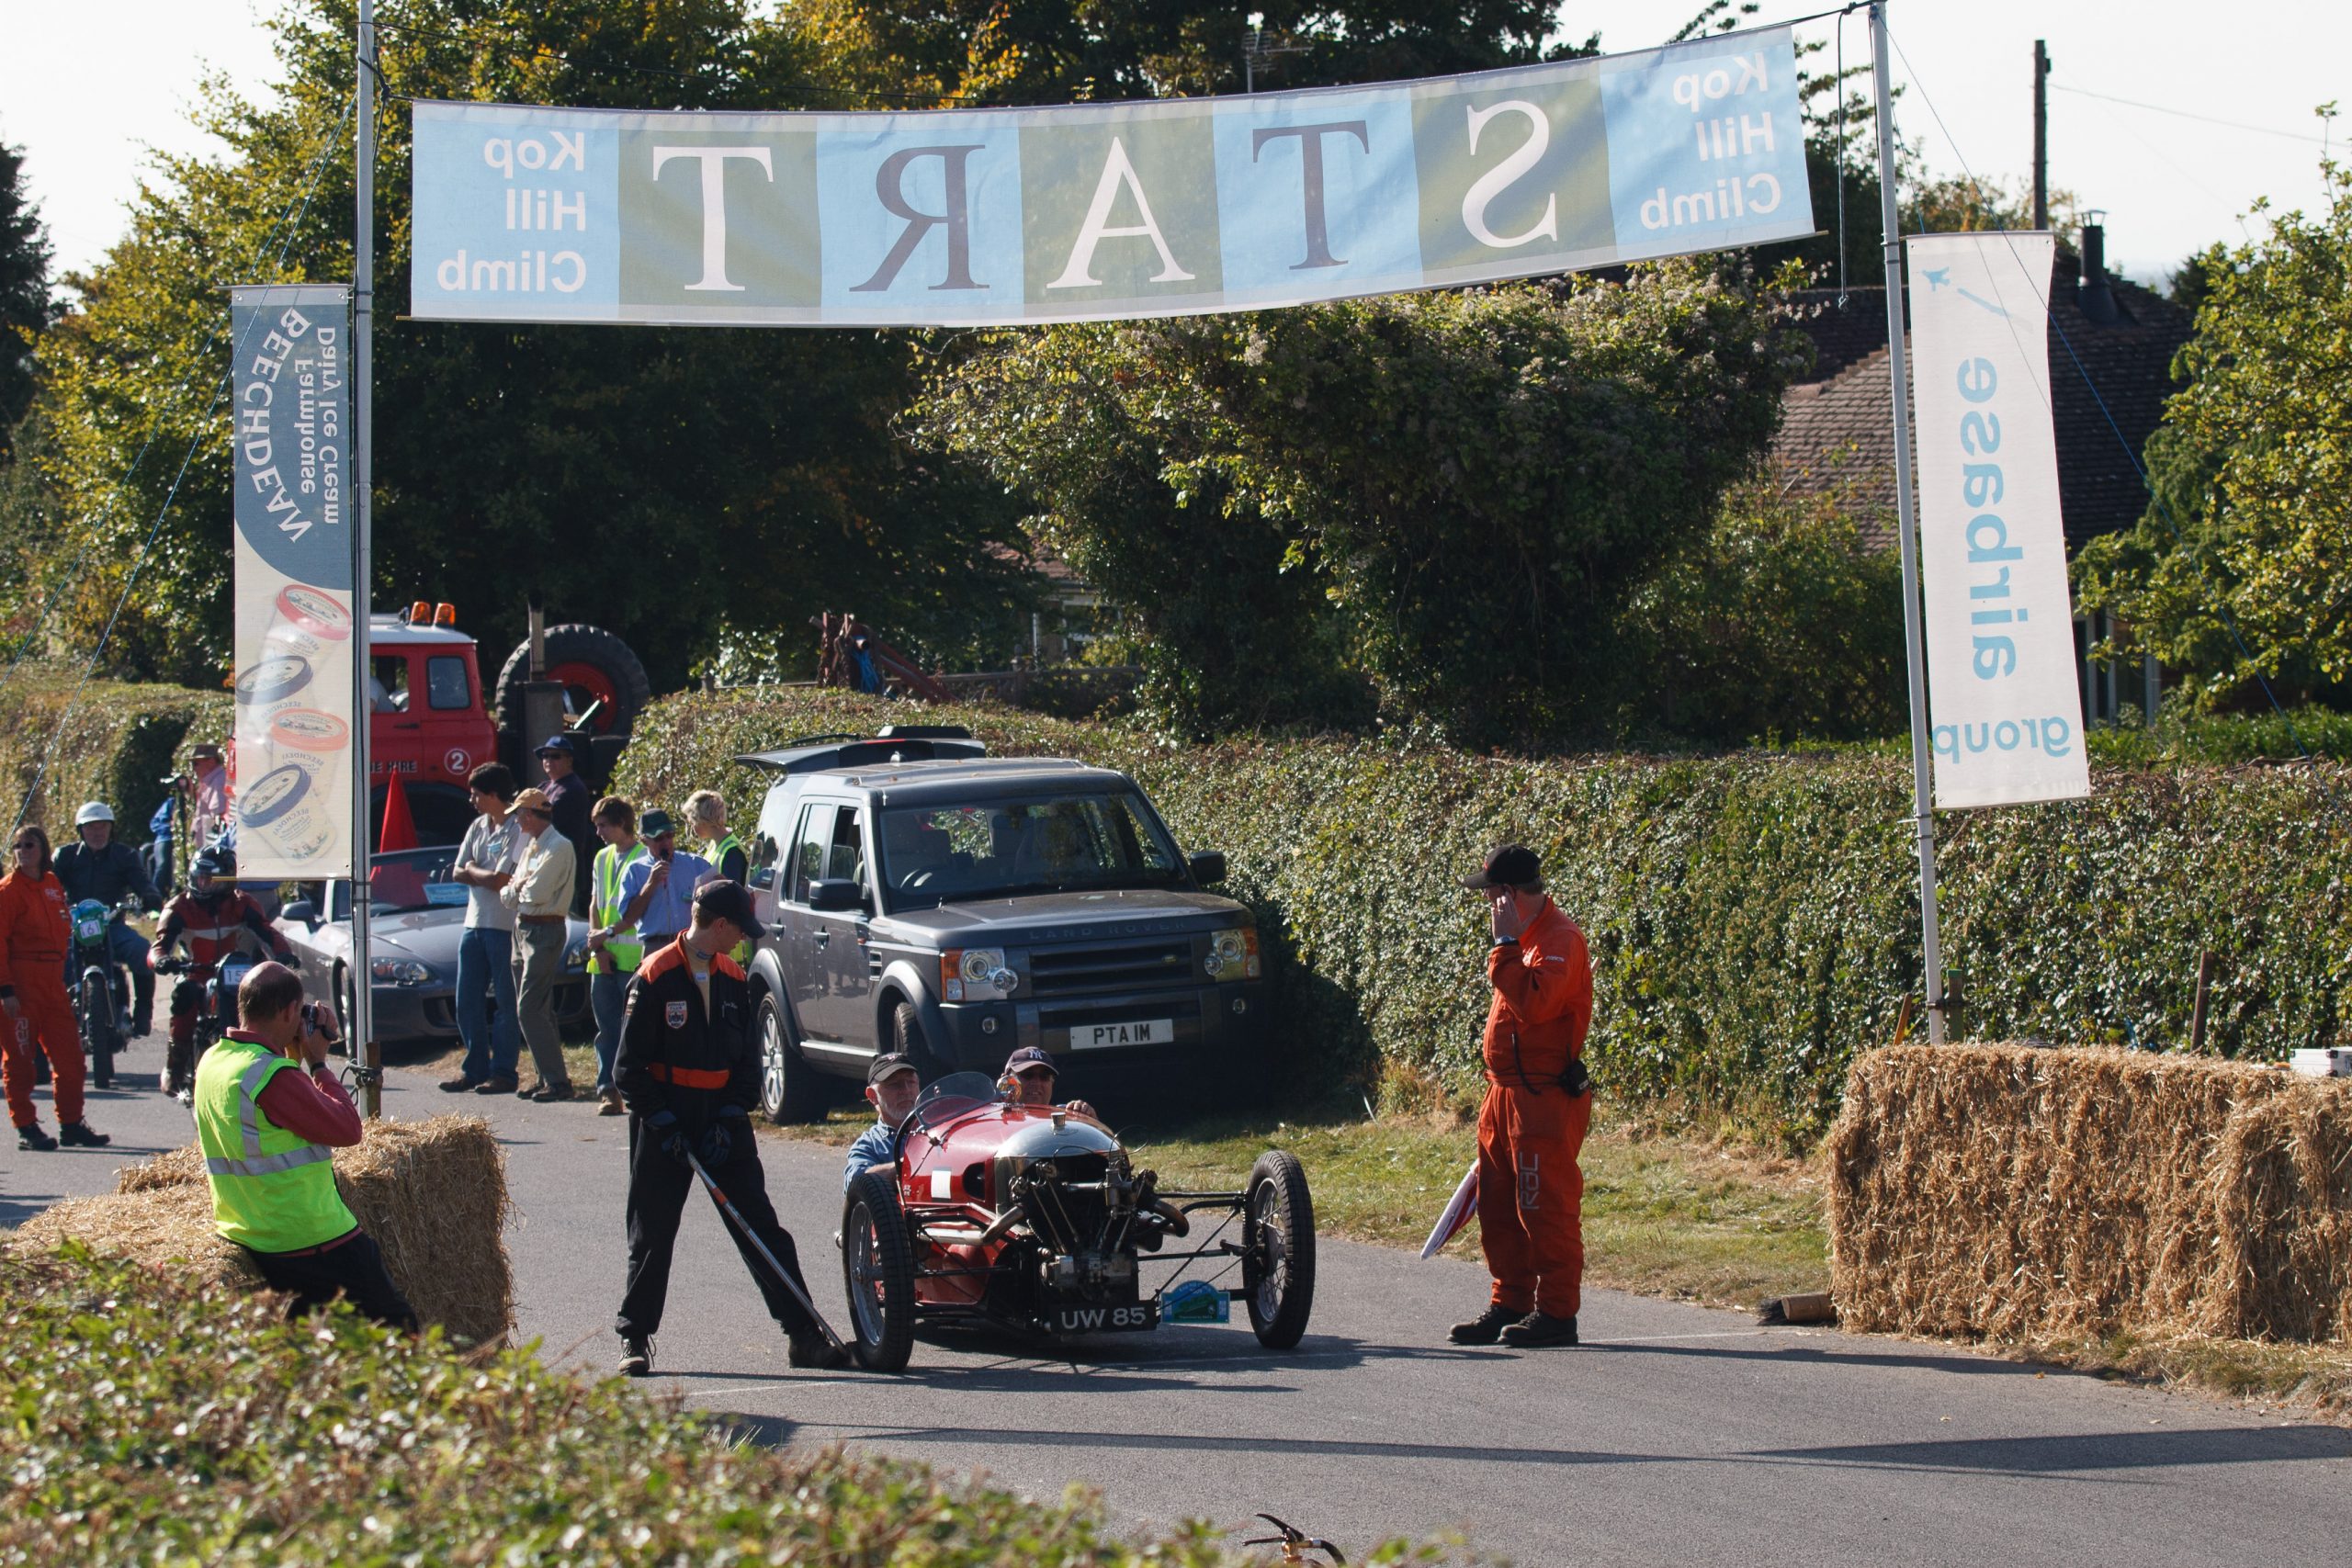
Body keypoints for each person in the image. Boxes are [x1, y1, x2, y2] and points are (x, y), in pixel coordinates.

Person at [614, 880, 846, 1376]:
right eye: (741, 928)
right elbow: (627, 1071)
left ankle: (802, 1334)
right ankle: (634, 1337)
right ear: (720, 925)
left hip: (721, 1116)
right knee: (651, 1231)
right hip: (666, 1116)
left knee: (762, 1227)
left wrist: (729, 1114)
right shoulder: (654, 977)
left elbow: (747, 1062)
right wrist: (663, 1123)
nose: (746, 938)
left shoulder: (734, 975)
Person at [195, 958, 416, 1329]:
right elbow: (348, 1129)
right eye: (299, 1013)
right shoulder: (271, 1075)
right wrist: (317, 1063)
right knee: (400, 1333)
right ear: (288, 1011)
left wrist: (292, 1055)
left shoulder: (214, 1062)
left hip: (251, 1233)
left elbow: (269, 1123)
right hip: (312, 1239)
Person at [1447, 843, 1593, 1351]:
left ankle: (1556, 1313)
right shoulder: (1527, 939)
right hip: (1505, 1094)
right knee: (1499, 1205)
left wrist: (1505, 944)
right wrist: (1510, 944)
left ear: (1508, 895)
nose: (1487, 904)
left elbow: (1535, 1003)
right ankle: (1510, 1302)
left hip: (1543, 1097)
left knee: (1543, 1204)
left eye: (1490, 894)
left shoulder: (1559, 940)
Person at [152, 846, 297, 1102]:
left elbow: (269, 934)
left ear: (226, 880)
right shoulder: (179, 907)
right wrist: (162, 960)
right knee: (183, 996)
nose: (202, 884)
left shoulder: (243, 904)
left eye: (209, 879)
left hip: (241, 976)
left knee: (268, 1005)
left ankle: (276, 1068)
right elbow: (160, 945)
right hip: (196, 974)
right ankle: (174, 1068)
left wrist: (283, 955)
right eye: (199, 877)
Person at [2, 826, 109, 1151]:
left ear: (43, 848)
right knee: (20, 1061)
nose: (23, 850)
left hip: (53, 981)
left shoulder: (51, 884)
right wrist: (5, 989)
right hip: (21, 982)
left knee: (72, 1058)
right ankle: (25, 1125)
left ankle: (71, 1123)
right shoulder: (8, 891)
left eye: (30, 844)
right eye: (17, 846)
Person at [442, 763, 522, 1096]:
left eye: (476, 794)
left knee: (505, 1002)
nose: (472, 800)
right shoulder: (477, 826)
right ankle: (474, 1068)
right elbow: (456, 872)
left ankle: (503, 1071)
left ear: (493, 794)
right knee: (467, 1001)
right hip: (473, 924)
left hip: (503, 926)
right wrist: (477, 871)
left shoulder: (519, 829)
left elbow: (501, 880)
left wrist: (473, 868)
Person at [54, 800, 162, 1036]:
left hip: (112, 926)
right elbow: (49, 884)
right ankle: (60, 1019)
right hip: (75, 929)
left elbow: (141, 881)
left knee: (142, 951)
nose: (97, 832)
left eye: (103, 826)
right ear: (80, 830)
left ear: (111, 828)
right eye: (91, 827)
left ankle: (143, 1011)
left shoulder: (124, 855)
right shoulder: (65, 856)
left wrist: (150, 896)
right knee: (57, 962)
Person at [500, 787, 576, 1102]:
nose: (517, 821)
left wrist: (518, 886)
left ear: (529, 814)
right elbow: (508, 896)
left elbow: (534, 895)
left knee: (529, 1008)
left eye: (518, 815)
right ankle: (547, 1076)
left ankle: (558, 1081)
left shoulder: (558, 847)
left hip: (545, 930)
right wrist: (519, 887)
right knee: (538, 1008)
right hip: (523, 928)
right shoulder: (533, 846)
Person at [584, 795, 647, 1115]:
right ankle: (608, 1090)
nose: (599, 832)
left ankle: (633, 1089)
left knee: (633, 1029)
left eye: (604, 825)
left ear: (622, 823)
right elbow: (596, 903)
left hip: (633, 957)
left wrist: (606, 939)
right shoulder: (602, 858)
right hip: (604, 955)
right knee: (606, 1028)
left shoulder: (643, 856)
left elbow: (639, 907)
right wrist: (599, 946)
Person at [612, 809, 709, 953]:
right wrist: (651, 883)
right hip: (656, 947)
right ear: (644, 840)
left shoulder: (696, 865)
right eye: (658, 838)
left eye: (669, 836)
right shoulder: (635, 871)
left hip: (691, 945)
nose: (666, 843)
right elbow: (628, 919)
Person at [536, 735, 595, 917]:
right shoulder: (544, 786)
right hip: (544, 863)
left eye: (556, 756)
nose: (548, 761)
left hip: (565, 869)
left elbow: (545, 823)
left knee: (565, 921)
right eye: (545, 756)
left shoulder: (573, 789)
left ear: (569, 760)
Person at [842, 1052, 920, 1190]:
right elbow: (855, 1182)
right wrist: (903, 1167)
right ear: (872, 1096)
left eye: (911, 1082)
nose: (906, 1090)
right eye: (894, 1085)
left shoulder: (939, 1128)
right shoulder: (869, 1145)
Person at [999, 1045, 1097, 1121]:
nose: (1036, 1083)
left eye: (1044, 1077)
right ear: (1005, 1081)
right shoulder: (991, 1119)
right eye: (1027, 1075)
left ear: (1052, 1082)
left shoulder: (1068, 1120)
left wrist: (1091, 1123)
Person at [184, 741, 231, 851]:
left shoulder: (218, 782)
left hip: (212, 849)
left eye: (196, 763)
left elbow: (218, 817)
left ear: (211, 761)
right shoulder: (210, 783)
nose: (194, 769)